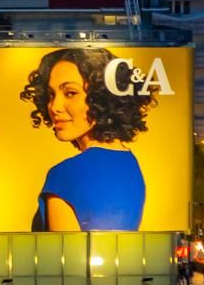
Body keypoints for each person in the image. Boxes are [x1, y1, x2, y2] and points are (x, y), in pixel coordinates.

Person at [21, 46, 159, 232]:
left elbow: (65, 258)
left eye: (70, 93)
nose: (54, 107)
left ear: (101, 97)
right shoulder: (130, 164)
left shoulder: (65, 174)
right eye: (51, 95)